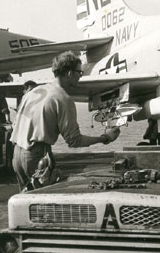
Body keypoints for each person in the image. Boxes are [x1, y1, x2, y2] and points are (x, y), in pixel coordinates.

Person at [11, 51, 121, 190]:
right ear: (69, 73)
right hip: (36, 157)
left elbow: (15, 124)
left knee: (26, 203)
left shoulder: (34, 92)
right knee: (45, 204)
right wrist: (105, 138)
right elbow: (74, 141)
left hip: (17, 155)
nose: (80, 77)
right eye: (79, 73)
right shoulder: (63, 99)